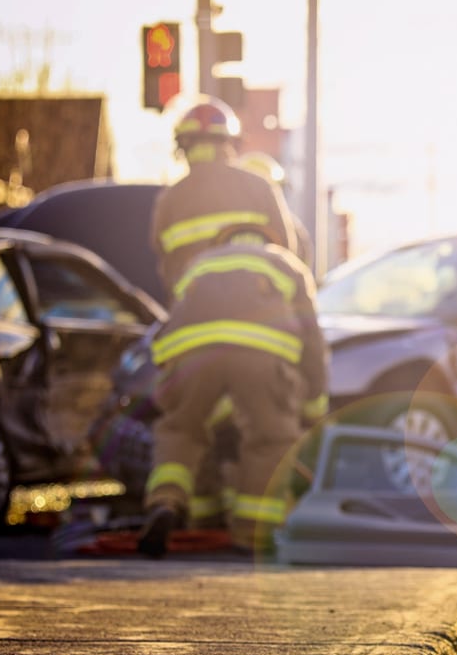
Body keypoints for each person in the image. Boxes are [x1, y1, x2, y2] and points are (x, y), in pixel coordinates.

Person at [136, 227, 329, 559]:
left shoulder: (200, 263)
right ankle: (252, 532)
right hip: (262, 352)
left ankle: (166, 501)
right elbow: (311, 338)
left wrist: (172, 389)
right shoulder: (285, 262)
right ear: (267, 239)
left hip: (191, 354)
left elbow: (171, 325)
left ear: (223, 242)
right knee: (270, 439)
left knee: (181, 429)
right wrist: (314, 405)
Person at [149, 97, 303, 301]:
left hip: (193, 314)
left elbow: (162, 261)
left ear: (183, 147)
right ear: (231, 143)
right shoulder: (260, 188)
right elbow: (288, 253)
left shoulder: (168, 200)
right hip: (258, 311)